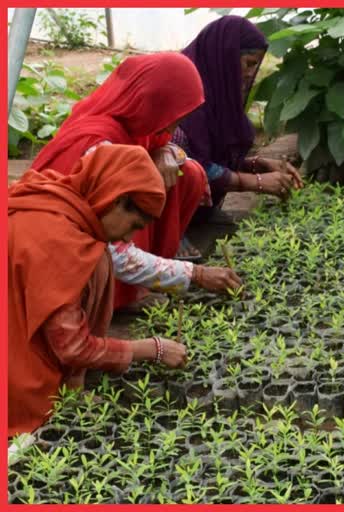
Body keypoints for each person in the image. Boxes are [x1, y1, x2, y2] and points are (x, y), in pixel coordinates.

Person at [29, 52, 241, 310]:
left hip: (102, 238)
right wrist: (193, 275)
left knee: (189, 172)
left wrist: (166, 151)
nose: (171, 130)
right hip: (59, 258)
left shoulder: (136, 125)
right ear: (153, 101)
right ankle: (115, 296)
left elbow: (174, 149)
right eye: (174, 118)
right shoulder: (97, 145)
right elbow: (113, 252)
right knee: (140, 187)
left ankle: (140, 281)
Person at [9, 145, 189, 436]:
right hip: (15, 378)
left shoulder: (54, 197)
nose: (129, 237)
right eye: (133, 225)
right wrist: (151, 349)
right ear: (117, 199)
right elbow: (72, 347)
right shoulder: (60, 242)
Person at [174, 14, 303, 224]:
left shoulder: (215, 90)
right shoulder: (185, 91)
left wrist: (257, 165)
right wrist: (257, 182)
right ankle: (172, 234)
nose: (251, 74)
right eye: (248, 63)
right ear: (225, 56)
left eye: (256, 66)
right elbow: (192, 164)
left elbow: (212, 154)